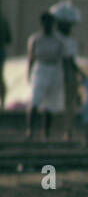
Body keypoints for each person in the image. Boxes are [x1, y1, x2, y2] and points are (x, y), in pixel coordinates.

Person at [26, 12, 65, 140]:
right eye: (46, 23)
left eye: (50, 23)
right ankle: (30, 129)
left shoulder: (58, 39)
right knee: (35, 100)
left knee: (50, 103)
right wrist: (29, 73)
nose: (48, 25)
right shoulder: (35, 39)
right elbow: (31, 58)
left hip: (54, 69)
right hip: (41, 68)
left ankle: (45, 131)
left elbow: (62, 57)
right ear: (42, 23)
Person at [51, 1, 81, 141]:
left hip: (68, 75)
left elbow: (71, 61)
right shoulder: (55, 39)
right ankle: (55, 131)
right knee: (56, 104)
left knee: (69, 105)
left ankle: (67, 131)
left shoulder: (71, 41)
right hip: (57, 74)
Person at [0, 0, 12, 113]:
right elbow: (9, 39)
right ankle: (2, 102)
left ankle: (3, 102)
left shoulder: (3, 21)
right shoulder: (4, 20)